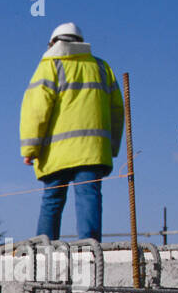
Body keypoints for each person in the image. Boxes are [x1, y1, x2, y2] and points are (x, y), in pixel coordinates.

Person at [20, 21, 124, 242]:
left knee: (52, 199)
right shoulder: (101, 67)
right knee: (89, 196)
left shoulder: (50, 65)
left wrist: (30, 148)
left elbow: (36, 110)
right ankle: (90, 246)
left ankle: (42, 247)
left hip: (56, 152)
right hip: (93, 151)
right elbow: (117, 110)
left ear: (53, 43)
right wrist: (111, 147)